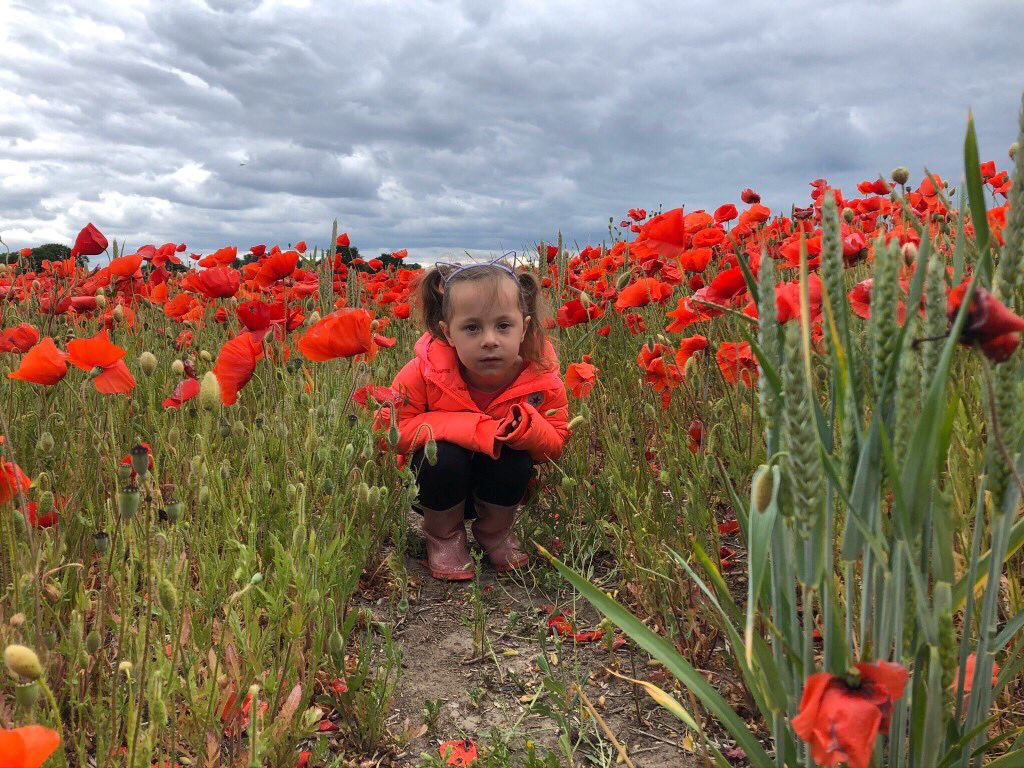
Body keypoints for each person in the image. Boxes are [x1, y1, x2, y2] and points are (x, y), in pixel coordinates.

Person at [377, 257, 569, 580]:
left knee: (514, 453)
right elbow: (387, 430)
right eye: (472, 328)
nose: (489, 339)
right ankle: (444, 539)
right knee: (442, 455)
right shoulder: (425, 372)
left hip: (497, 491)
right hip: (436, 490)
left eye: (503, 326)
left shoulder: (541, 379)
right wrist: (474, 430)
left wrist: (529, 430)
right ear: (448, 333)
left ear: (524, 326)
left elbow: (557, 442)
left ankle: (495, 534)